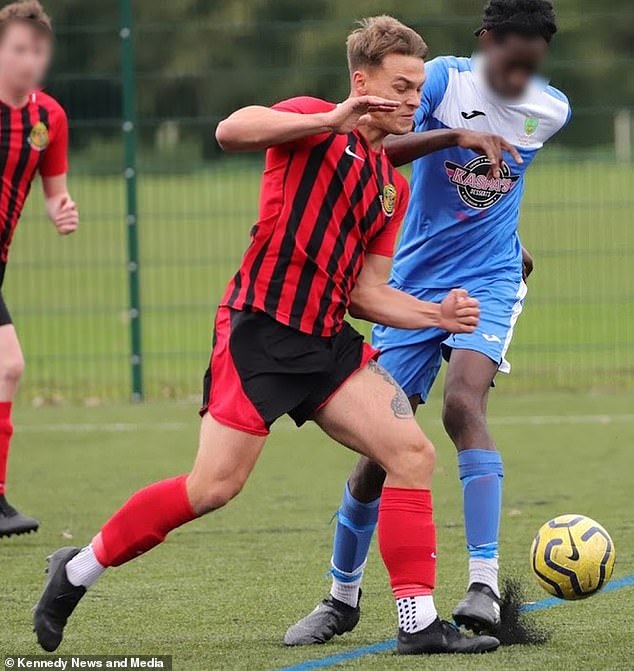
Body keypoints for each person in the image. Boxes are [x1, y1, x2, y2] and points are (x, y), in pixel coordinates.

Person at [34, 16, 497, 655]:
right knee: (213, 488)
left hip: (327, 341)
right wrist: (331, 118)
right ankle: (77, 569)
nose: (415, 102)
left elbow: (367, 292)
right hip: (260, 333)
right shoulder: (310, 122)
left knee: (412, 455)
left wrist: (436, 317)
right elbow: (231, 131)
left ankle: (417, 624)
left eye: (419, 90)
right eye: (402, 87)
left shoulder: (391, 186)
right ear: (363, 83)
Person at [285, 0, 571, 646]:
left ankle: (483, 586)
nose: (516, 79)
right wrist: (453, 134)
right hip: (412, 284)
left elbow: (505, 185)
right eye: (508, 62)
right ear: (485, 41)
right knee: (378, 449)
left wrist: (510, 243)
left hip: (492, 281)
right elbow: (376, 145)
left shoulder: (551, 110)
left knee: (463, 403)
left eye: (530, 68)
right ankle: (341, 597)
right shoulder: (442, 81)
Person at [0, 0, 78, 538]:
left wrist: (61, 210)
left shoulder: (47, 118)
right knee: (8, 365)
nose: (29, 60)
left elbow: (54, 193)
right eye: (18, 49)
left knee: (7, 368)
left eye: (37, 50)